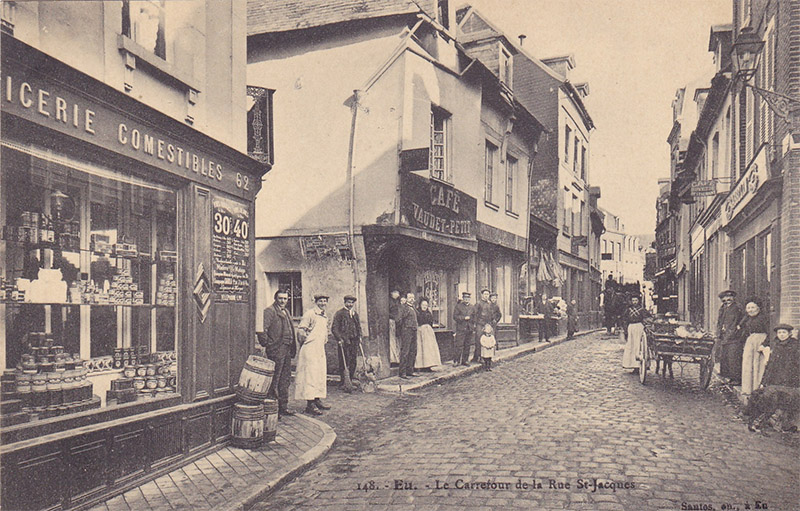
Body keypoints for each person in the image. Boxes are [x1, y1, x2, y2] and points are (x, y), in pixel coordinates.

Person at [745, 323, 800, 432]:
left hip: (789, 378)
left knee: (788, 402)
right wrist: (764, 381)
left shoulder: (795, 346)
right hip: (775, 378)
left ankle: (785, 424)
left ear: (789, 334)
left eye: (784, 332)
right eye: (779, 333)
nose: (782, 335)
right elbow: (770, 365)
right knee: (772, 401)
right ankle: (767, 422)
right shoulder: (776, 345)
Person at [259, 290, 297, 418]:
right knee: (274, 380)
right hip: (276, 350)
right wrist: (268, 344)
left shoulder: (286, 311)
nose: (283, 301)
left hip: (286, 350)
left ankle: (283, 407)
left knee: (285, 379)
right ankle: (272, 409)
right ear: (276, 298)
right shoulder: (270, 311)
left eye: (285, 298)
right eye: (280, 298)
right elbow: (261, 330)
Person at [295, 294, 331, 415]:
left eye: (324, 301)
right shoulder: (310, 314)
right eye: (320, 301)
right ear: (316, 302)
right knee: (310, 375)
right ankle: (310, 404)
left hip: (319, 349)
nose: (322, 303)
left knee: (319, 374)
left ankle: (317, 399)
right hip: (310, 349)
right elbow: (301, 331)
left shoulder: (325, 316)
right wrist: (307, 341)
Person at [739, 297, 770, 395]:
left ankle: (757, 388)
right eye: (748, 308)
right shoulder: (748, 318)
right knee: (748, 364)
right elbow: (742, 327)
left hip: (760, 341)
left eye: (753, 307)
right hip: (750, 342)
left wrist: (764, 344)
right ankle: (748, 388)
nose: (750, 310)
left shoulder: (764, 318)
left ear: (758, 308)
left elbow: (769, 332)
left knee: (758, 364)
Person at [331, 295, 361, 390]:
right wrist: (339, 338)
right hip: (344, 341)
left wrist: (359, 337)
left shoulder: (355, 314)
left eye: (352, 303)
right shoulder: (339, 313)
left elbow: (358, 326)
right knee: (344, 361)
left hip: (354, 341)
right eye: (348, 302)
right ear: (345, 303)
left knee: (353, 361)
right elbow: (334, 328)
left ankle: (350, 380)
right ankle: (343, 382)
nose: (350, 304)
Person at [716, 290, 744, 384]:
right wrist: (719, 334)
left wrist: (730, 335)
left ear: (733, 298)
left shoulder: (736, 308)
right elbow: (720, 322)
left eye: (729, 299)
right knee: (726, 356)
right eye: (724, 300)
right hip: (725, 335)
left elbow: (734, 323)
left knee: (734, 357)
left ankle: (737, 378)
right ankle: (729, 376)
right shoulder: (723, 308)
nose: (727, 301)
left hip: (734, 336)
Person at [621, 295, 650, 372]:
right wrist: (625, 329)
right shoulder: (628, 310)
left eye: (636, 300)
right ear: (631, 301)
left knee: (638, 344)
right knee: (631, 345)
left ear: (638, 301)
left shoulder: (642, 310)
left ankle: (639, 365)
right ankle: (631, 364)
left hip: (639, 327)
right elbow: (624, 319)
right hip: (631, 327)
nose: (634, 302)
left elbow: (647, 317)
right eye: (633, 300)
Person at [414, 297, 442, 370]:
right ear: (420, 305)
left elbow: (431, 322)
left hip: (428, 332)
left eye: (426, 305)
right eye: (423, 305)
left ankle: (428, 365)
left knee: (429, 348)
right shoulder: (417, 312)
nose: (424, 306)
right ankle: (420, 366)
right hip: (420, 331)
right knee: (421, 348)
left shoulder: (428, 313)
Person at [396, 292, 418, 379]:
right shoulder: (403, 307)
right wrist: (403, 328)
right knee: (405, 351)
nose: (412, 299)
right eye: (410, 298)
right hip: (407, 330)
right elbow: (399, 319)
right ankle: (402, 372)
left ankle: (410, 371)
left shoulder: (413, 308)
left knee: (413, 351)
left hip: (414, 330)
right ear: (406, 299)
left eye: (413, 298)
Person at [471, 289, 494, 363]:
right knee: (479, 340)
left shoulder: (489, 303)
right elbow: (474, 314)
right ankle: (478, 357)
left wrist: (492, 322)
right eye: (485, 294)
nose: (486, 296)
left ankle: (486, 357)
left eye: (487, 294)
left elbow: (492, 314)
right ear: (482, 295)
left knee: (487, 340)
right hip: (480, 324)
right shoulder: (478, 303)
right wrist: (475, 323)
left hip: (487, 324)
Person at [453, 291, 473, 366]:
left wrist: (472, 323)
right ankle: (456, 361)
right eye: (465, 298)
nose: (466, 299)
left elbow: (474, 317)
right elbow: (455, 317)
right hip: (461, 328)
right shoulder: (458, 306)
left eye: (468, 298)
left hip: (469, 328)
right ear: (463, 298)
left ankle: (465, 360)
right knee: (459, 345)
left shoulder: (472, 307)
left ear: (469, 299)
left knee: (467, 345)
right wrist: (464, 318)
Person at [388, 290, 401, 365]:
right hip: (392, 322)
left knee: (397, 340)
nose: (397, 294)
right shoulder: (390, 302)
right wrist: (394, 317)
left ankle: (397, 358)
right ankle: (392, 359)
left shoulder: (397, 302)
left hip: (397, 323)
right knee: (392, 340)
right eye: (396, 292)